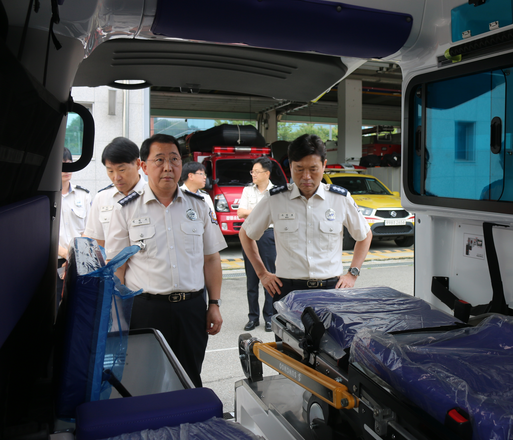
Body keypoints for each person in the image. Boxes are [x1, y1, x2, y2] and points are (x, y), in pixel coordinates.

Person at [106, 134, 227, 387]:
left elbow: (211, 259)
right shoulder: (126, 209)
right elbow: (117, 267)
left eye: (174, 159)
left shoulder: (199, 206)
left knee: (189, 379)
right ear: (144, 165)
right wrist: (118, 315)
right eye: (159, 160)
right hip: (145, 309)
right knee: (145, 382)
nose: (168, 167)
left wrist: (214, 303)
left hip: (191, 310)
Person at [239, 134, 372, 308]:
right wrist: (262, 273)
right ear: (290, 166)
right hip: (288, 291)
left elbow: (365, 235)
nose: (306, 176)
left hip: (330, 290)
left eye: (313, 169)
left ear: (324, 165)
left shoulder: (340, 199)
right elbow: (246, 234)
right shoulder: (275, 199)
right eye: (299, 169)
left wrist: (352, 274)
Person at [83, 137, 147, 248]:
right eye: (110, 171)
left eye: (122, 170)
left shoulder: (153, 195)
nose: (116, 177)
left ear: (138, 164)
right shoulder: (102, 198)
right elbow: (97, 242)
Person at [237, 157, 277, 332]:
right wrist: (263, 211)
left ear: (267, 173)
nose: (253, 175)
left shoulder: (276, 192)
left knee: (270, 277)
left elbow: (277, 214)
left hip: (268, 236)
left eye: (256, 172)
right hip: (250, 235)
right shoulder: (247, 190)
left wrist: (252, 213)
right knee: (251, 280)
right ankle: (253, 318)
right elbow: (240, 212)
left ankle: (269, 317)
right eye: (252, 172)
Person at [57, 147, 91, 306]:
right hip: (55, 263)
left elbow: (89, 230)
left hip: (79, 261)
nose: (67, 168)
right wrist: (67, 255)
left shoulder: (83, 195)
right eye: (62, 164)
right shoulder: (45, 197)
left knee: (79, 308)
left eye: (69, 163)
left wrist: (74, 256)